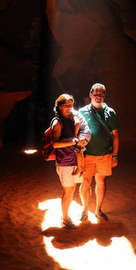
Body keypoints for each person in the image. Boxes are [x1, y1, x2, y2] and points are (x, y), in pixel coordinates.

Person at [79, 83, 119, 221]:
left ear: (104, 96)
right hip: (87, 155)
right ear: (90, 95)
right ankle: (84, 210)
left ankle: (98, 210)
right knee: (85, 181)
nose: (98, 97)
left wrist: (114, 155)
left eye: (101, 94)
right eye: (96, 94)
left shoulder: (110, 112)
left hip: (104, 154)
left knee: (100, 181)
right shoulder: (82, 112)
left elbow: (116, 135)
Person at [51, 94, 88, 229]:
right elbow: (55, 144)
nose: (69, 108)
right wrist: (73, 141)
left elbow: (74, 136)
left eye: (71, 105)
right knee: (68, 191)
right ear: (60, 107)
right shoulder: (57, 122)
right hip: (64, 161)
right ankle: (65, 219)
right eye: (66, 105)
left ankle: (65, 216)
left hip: (73, 159)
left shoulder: (70, 120)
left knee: (71, 190)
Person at [71, 111, 91, 175]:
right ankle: (82, 167)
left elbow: (77, 122)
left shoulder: (72, 113)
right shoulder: (76, 112)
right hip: (87, 133)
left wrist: (75, 135)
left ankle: (79, 168)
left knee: (78, 150)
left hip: (83, 133)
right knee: (81, 151)